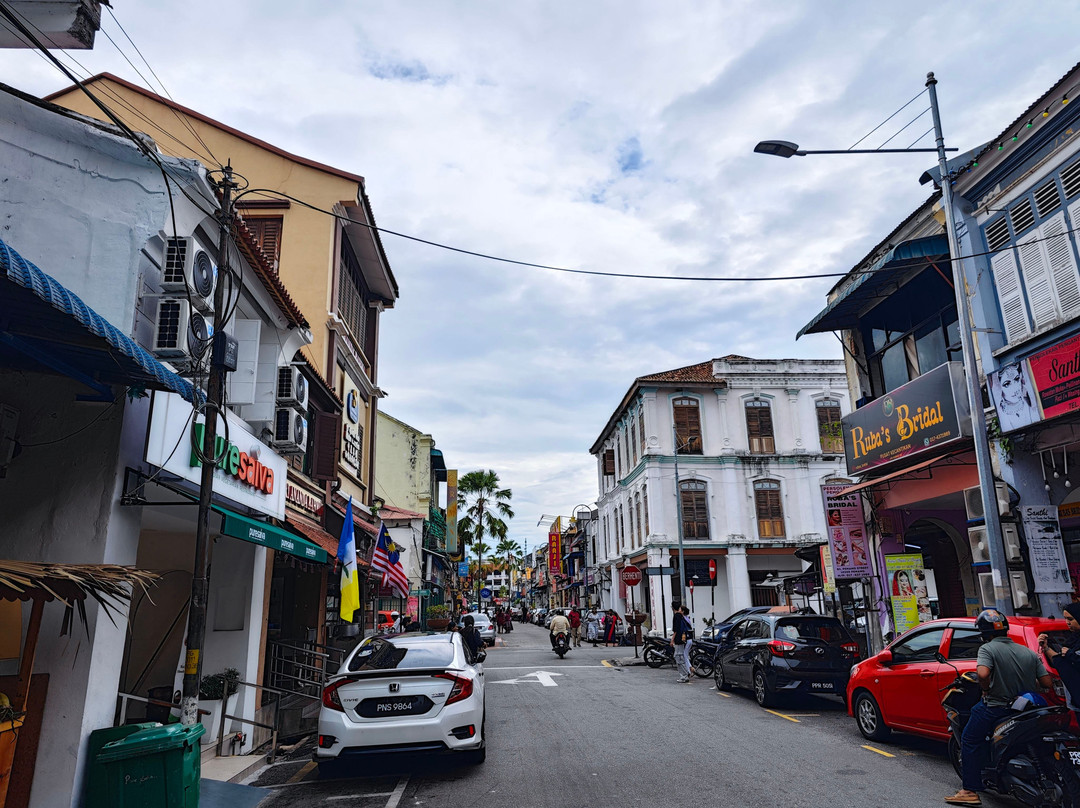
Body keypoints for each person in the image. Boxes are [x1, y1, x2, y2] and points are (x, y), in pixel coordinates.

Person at [946, 609, 1052, 806]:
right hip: (1027, 709)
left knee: (969, 739)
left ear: (984, 633)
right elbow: (1046, 683)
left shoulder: (987, 649)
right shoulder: (1027, 652)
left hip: (996, 706)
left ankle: (969, 791)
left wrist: (986, 690)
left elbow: (983, 674)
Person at [1039, 602, 1080, 711]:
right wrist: (1046, 647)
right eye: (1065, 619)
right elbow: (1060, 662)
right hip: (1074, 701)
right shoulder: (1073, 640)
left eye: (1070, 619)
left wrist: (1071, 656)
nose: (1067, 623)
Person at [672, 602, 692, 683]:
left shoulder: (677, 616)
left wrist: (672, 640)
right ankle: (685, 674)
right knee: (680, 656)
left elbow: (675, 630)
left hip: (678, 639)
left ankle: (684, 675)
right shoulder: (681, 616)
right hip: (683, 639)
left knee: (679, 657)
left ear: (673, 608)